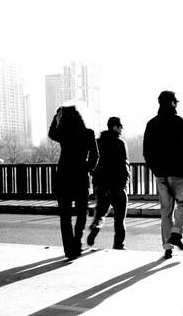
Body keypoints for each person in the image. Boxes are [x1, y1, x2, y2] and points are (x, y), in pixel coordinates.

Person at [143, 90, 183, 259]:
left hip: (161, 175)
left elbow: (147, 152)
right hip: (178, 172)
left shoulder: (151, 124)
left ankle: (167, 247)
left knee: (166, 211)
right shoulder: (179, 122)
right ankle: (176, 233)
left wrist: (156, 170)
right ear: (172, 103)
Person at [48, 105, 98, 260]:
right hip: (80, 178)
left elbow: (51, 133)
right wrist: (87, 168)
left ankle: (69, 250)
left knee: (65, 216)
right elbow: (95, 156)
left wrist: (55, 119)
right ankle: (77, 242)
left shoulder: (63, 133)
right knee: (82, 212)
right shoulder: (88, 133)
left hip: (63, 177)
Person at [86, 116, 131, 250]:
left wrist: (96, 183)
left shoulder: (98, 142)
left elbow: (92, 163)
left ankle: (96, 225)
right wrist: (124, 184)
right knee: (119, 220)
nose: (121, 129)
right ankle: (118, 245)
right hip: (117, 187)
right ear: (115, 127)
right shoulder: (120, 143)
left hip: (102, 186)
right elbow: (124, 166)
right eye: (120, 126)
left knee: (100, 213)